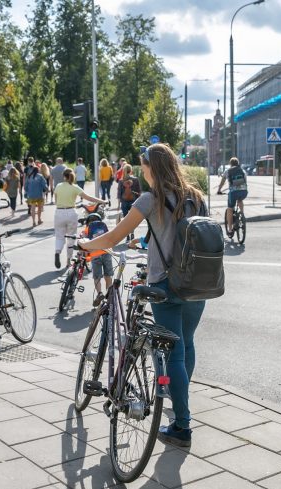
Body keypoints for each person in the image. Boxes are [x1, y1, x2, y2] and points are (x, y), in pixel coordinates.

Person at [79, 143, 207, 448]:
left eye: (143, 166)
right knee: (186, 345)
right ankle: (180, 405)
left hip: (165, 285)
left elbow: (113, 237)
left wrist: (86, 246)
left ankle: (182, 426)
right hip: (197, 283)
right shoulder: (196, 197)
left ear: (152, 168)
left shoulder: (151, 199)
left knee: (173, 353)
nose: (141, 171)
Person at [53, 168, 106, 268]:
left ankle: (57, 252)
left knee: (59, 236)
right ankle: (68, 260)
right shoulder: (75, 187)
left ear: (64, 176)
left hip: (59, 212)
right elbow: (89, 198)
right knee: (71, 236)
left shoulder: (58, 186)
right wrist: (102, 201)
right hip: (71, 212)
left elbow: (56, 201)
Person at [81, 210, 113, 306]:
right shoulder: (103, 226)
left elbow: (83, 239)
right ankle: (109, 294)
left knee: (97, 276)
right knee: (108, 274)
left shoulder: (86, 229)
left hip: (95, 254)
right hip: (107, 252)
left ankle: (99, 293)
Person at [216, 157, 248, 237]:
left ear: (230, 164)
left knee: (230, 209)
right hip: (244, 192)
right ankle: (242, 215)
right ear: (238, 163)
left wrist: (219, 190)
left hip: (233, 193)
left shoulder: (228, 171)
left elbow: (222, 182)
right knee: (240, 200)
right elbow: (245, 182)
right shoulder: (242, 171)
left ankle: (230, 230)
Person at [118, 163, 141, 241]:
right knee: (132, 219)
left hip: (124, 202)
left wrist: (119, 203)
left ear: (124, 170)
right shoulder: (135, 180)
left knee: (125, 219)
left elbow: (119, 193)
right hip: (133, 202)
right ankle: (132, 233)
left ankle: (127, 235)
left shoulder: (121, 181)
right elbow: (139, 192)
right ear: (131, 170)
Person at [24, 163, 48, 227]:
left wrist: (26, 192)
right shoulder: (40, 176)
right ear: (38, 170)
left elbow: (25, 186)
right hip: (39, 194)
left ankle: (33, 222)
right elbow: (44, 185)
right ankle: (39, 219)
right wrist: (47, 189)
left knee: (33, 208)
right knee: (39, 208)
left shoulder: (29, 177)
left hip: (31, 195)